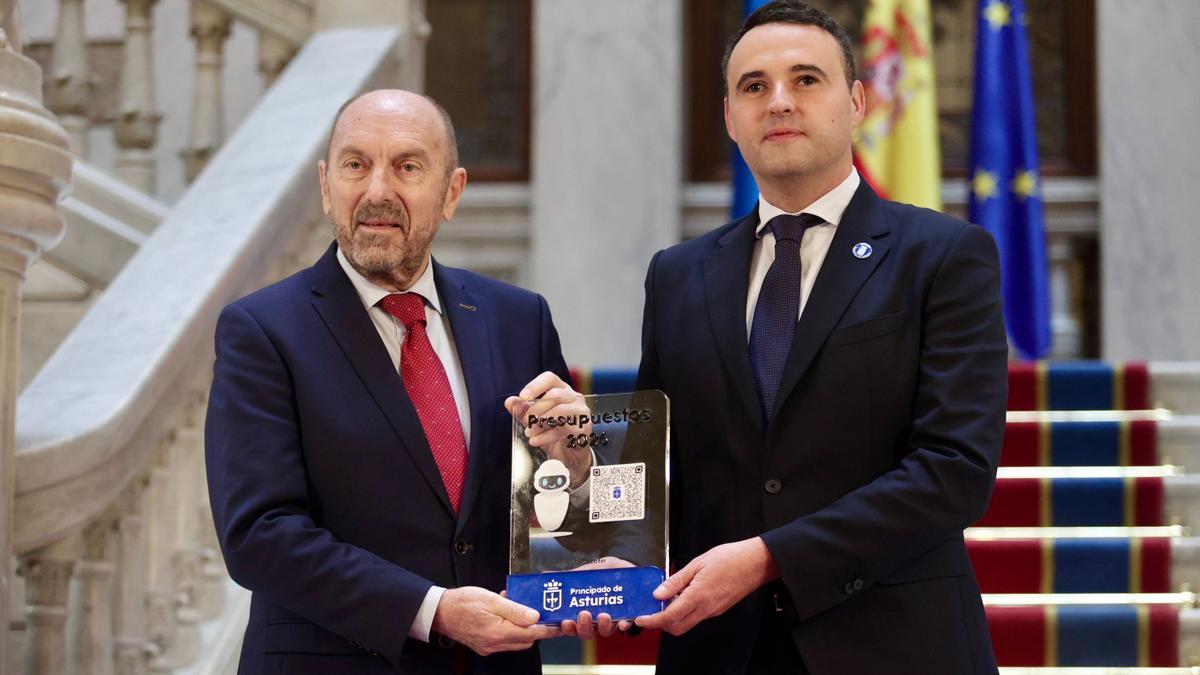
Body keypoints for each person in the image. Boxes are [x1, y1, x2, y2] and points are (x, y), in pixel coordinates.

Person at [631, 2, 1008, 673]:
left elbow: (954, 470)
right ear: (730, 117)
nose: (779, 101)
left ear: (857, 101)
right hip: (719, 649)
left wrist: (769, 557)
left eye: (806, 79)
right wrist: (580, 460)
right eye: (754, 86)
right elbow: (658, 470)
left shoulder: (944, 256)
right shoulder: (677, 275)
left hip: (894, 645)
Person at [204, 89, 568, 674]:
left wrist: (576, 462)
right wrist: (434, 611)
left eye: (407, 167)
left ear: (451, 192)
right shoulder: (262, 331)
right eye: (355, 165)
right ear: (326, 186)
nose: (377, 191)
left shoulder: (519, 318)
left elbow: (549, 516)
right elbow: (259, 534)